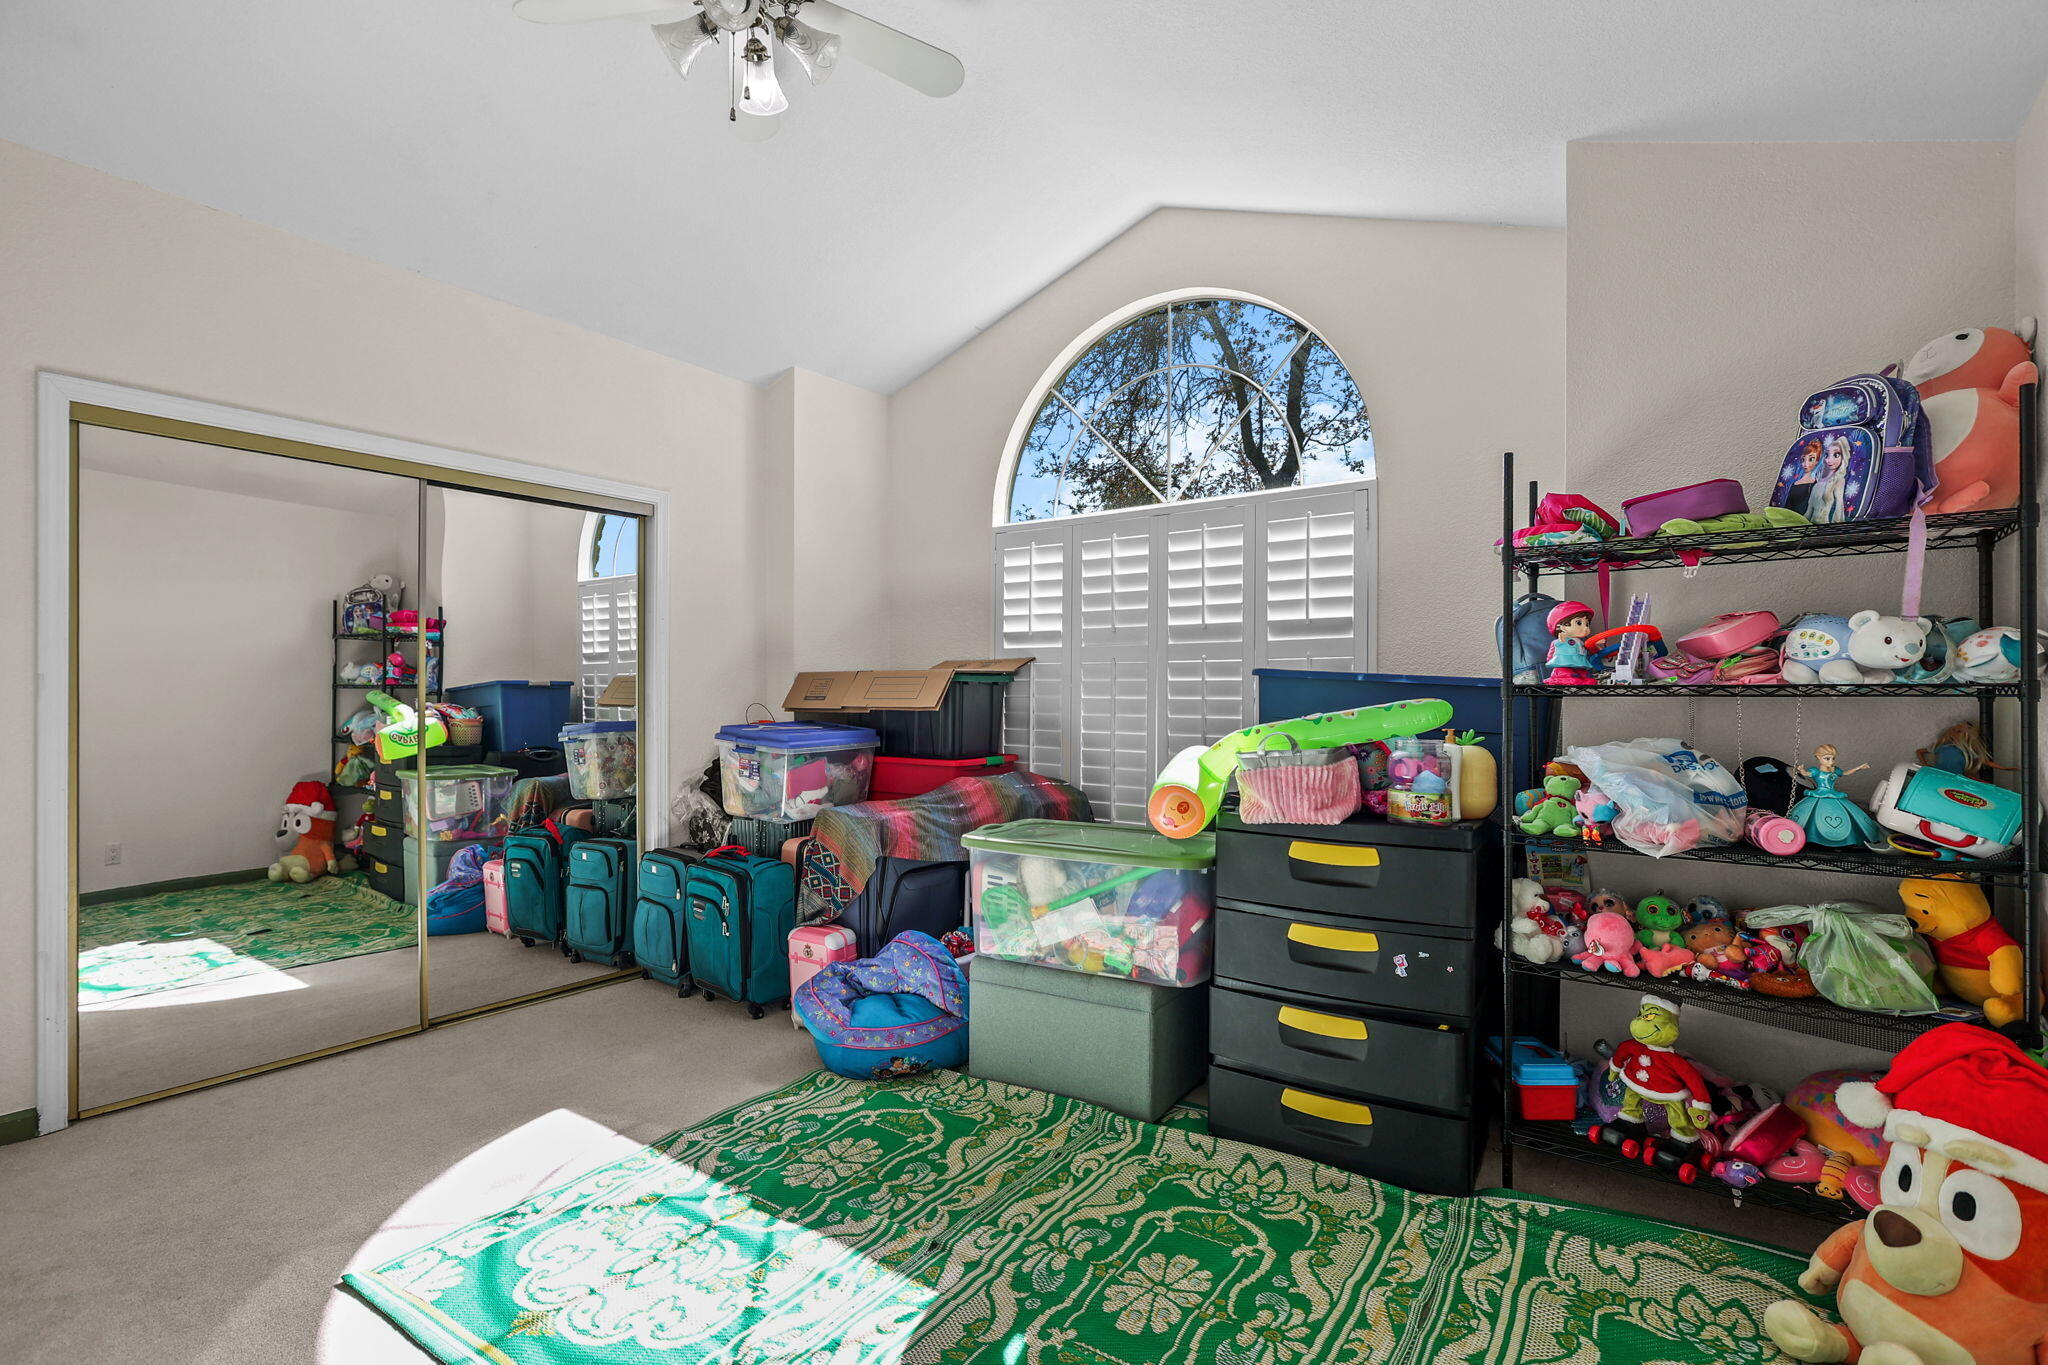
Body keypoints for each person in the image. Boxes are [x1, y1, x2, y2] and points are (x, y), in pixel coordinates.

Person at [1788, 744, 1883, 847]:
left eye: (1833, 758)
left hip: (1833, 794)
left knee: (1847, 816)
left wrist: (1859, 768)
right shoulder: (1815, 771)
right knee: (1807, 816)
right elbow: (1806, 774)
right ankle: (1810, 837)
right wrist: (1801, 770)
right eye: (1827, 759)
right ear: (1818, 757)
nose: (1831, 762)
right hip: (1819, 794)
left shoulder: (1835, 770)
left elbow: (1845, 773)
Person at [1543, 601, 1600, 685]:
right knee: (1565, 671)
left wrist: (1596, 643)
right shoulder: (1561, 640)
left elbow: (1587, 647)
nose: (1585, 628)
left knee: (1582, 673)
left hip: (1578, 663)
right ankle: (1560, 677)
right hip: (1564, 663)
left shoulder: (1580, 641)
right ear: (1562, 626)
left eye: (1587, 624)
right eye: (1579, 623)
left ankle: (1582, 679)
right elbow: (1552, 653)